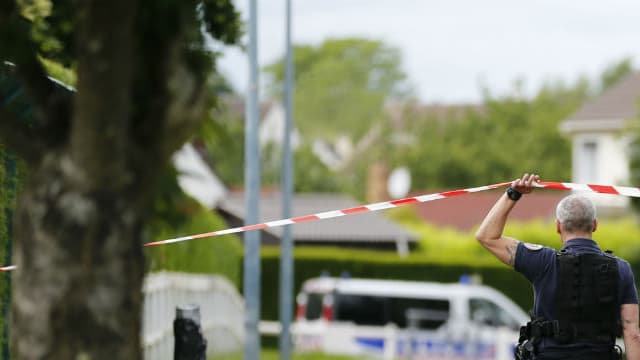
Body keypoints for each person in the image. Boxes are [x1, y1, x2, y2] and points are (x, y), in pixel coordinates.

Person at [475, 173, 640, 360]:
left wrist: (513, 194)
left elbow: (486, 236)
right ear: (594, 225)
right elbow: (632, 331)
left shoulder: (543, 262)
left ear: (558, 226)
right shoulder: (621, 269)